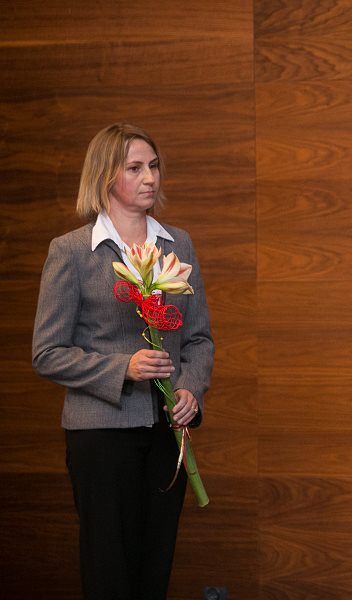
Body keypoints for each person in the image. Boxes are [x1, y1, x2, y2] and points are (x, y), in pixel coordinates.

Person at [32, 123, 214, 600]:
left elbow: (198, 339)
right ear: (105, 176)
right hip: (100, 435)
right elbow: (47, 353)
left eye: (153, 166)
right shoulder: (71, 252)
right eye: (134, 168)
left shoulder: (178, 244)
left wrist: (190, 389)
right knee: (109, 569)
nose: (149, 177)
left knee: (155, 566)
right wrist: (122, 368)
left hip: (166, 433)